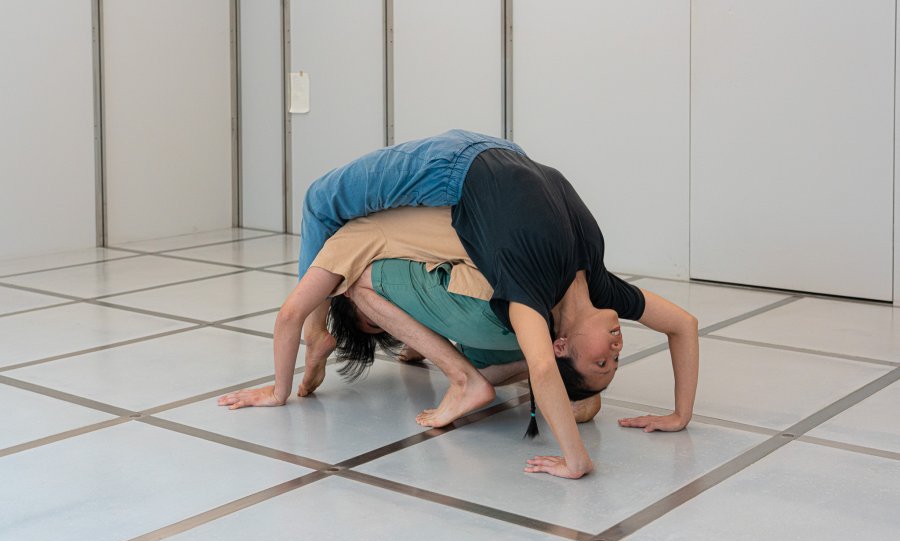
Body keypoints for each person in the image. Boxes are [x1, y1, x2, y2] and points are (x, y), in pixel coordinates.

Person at [225, 130, 699, 480]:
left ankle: (317, 334)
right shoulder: (602, 286)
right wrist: (680, 416)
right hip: (501, 156)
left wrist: (576, 461)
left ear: (561, 344)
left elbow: (541, 366)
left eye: (602, 362)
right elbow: (683, 324)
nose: (617, 349)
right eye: (614, 361)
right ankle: (323, 334)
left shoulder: (529, 290)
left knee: (319, 199)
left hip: (458, 164)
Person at [218, 207, 604, 424]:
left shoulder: (351, 242)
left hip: (498, 298)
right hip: (537, 306)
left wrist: (280, 390)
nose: (392, 319)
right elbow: (427, 296)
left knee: (362, 285)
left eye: (376, 320)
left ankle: (469, 381)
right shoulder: (402, 225)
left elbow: (291, 312)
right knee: (485, 364)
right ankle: (560, 370)